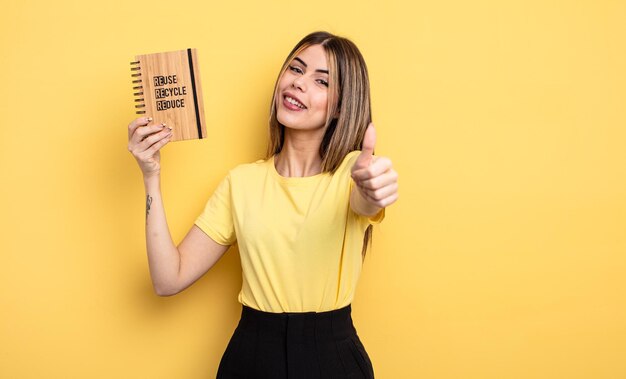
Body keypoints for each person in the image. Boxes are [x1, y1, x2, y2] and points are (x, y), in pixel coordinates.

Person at [127, 31, 399, 379]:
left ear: (342, 107)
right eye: (296, 69)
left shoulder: (351, 175)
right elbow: (168, 279)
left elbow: (365, 199)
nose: (299, 83)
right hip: (253, 357)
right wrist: (151, 175)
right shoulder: (241, 183)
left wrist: (373, 186)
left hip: (333, 358)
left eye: (321, 81)